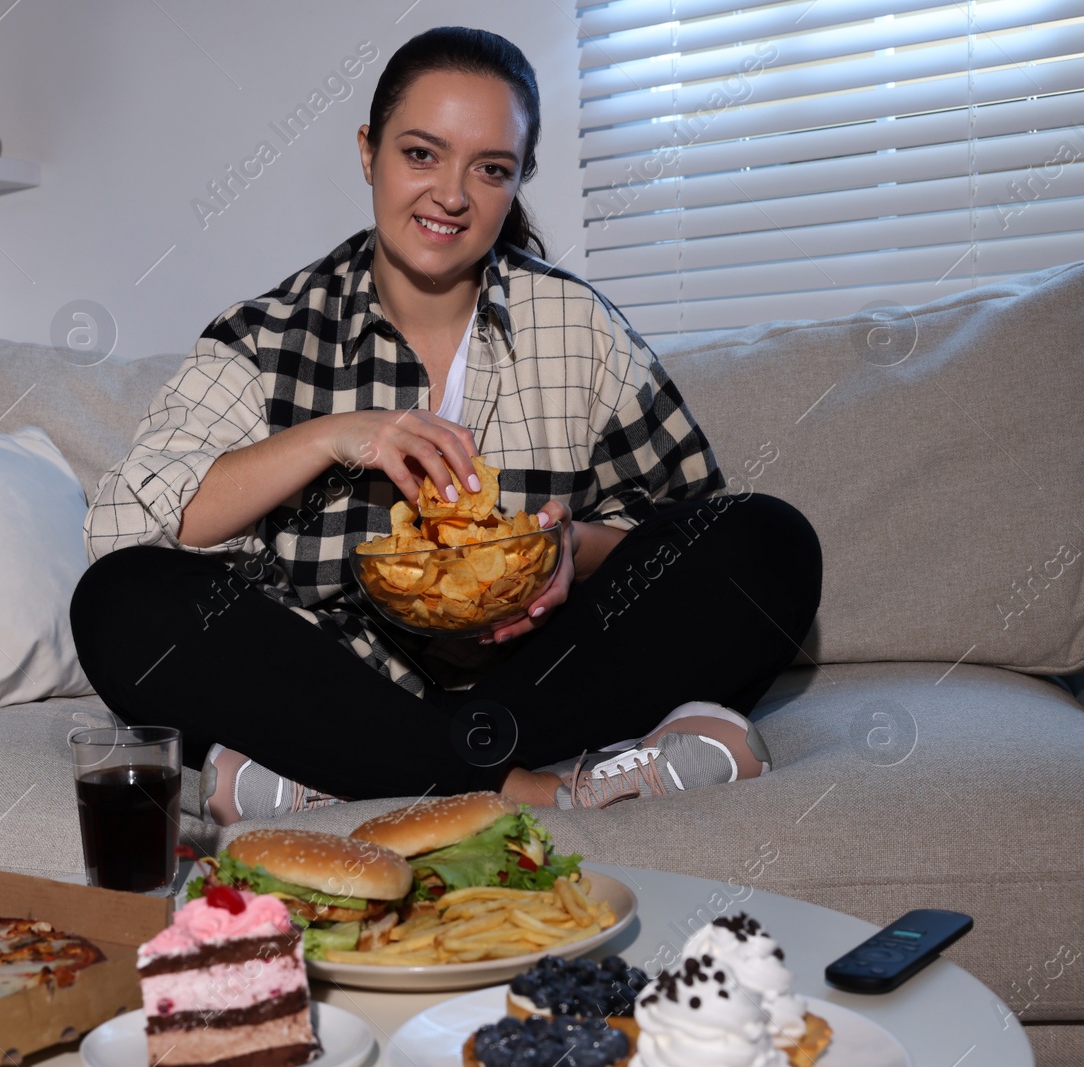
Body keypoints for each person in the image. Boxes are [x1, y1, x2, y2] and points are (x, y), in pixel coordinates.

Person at [71, 26, 821, 825]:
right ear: (369, 151)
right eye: (421, 154)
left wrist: (571, 549)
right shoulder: (266, 335)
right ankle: (524, 788)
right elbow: (126, 526)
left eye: (490, 169)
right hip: (341, 686)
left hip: (542, 679)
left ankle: (354, 779)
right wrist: (336, 436)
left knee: (769, 542)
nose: (451, 195)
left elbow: (688, 523)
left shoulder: (577, 324)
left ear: (519, 179)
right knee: (116, 602)